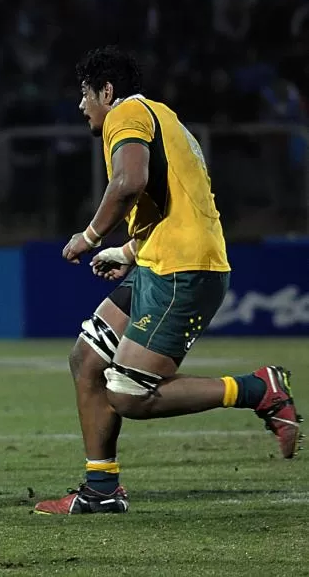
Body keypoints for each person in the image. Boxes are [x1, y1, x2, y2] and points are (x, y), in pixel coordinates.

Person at [33, 47, 302, 515]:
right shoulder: (165, 117)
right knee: (87, 359)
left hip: (182, 271)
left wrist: (91, 236)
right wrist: (126, 251)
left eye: (84, 94)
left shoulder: (127, 114)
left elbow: (129, 182)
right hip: (163, 262)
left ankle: (258, 389)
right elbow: (178, 206)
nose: (81, 106)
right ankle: (101, 489)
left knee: (128, 395)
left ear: (107, 92)